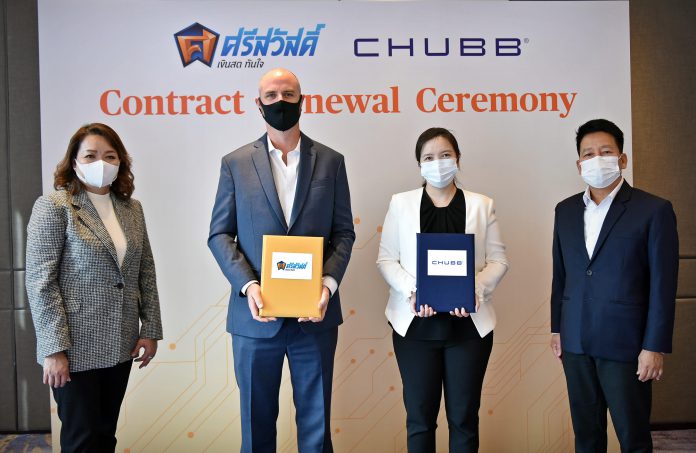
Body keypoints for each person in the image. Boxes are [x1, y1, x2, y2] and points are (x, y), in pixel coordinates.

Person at [208, 68, 355, 453]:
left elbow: (344, 233)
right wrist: (248, 285)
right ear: (258, 104)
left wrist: (327, 285)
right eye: (271, 96)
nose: (280, 102)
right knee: (256, 428)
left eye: (288, 94)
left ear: (302, 100)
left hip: (315, 316)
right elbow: (219, 234)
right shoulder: (235, 163)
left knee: (317, 428)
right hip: (255, 317)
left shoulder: (331, 161)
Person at [25, 123, 163, 452]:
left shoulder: (132, 209)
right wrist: (53, 349)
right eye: (90, 156)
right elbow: (40, 282)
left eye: (109, 156)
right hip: (73, 348)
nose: (101, 162)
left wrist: (150, 329)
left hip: (121, 342)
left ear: (120, 162)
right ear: (74, 162)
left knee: (104, 435)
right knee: (82, 440)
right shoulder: (54, 206)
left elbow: (145, 270)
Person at [550, 118, 679, 452]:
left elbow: (663, 286)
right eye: (588, 154)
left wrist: (654, 346)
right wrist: (557, 328)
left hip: (627, 345)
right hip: (576, 342)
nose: (597, 159)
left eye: (605, 152)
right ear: (579, 164)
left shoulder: (654, 210)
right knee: (586, 437)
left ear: (622, 159)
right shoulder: (565, 211)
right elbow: (561, 276)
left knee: (633, 439)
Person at [376, 127, 509, 452]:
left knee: (464, 420)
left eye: (445, 155)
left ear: (458, 159)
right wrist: (414, 290)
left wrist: (473, 289)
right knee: (420, 420)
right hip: (415, 327)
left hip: (468, 329)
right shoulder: (401, 204)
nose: (438, 163)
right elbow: (386, 260)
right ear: (419, 165)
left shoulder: (481, 205)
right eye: (429, 157)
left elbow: (498, 261)